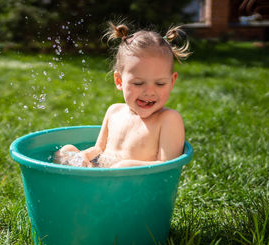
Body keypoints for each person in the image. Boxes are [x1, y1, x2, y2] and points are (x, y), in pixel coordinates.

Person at [54, 21, 191, 168]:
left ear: (172, 81)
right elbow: (99, 149)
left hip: (135, 185)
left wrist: (125, 167)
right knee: (66, 151)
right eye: (138, 83)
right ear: (119, 81)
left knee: (120, 167)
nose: (150, 92)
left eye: (160, 84)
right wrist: (85, 156)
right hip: (101, 176)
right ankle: (68, 185)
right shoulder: (114, 112)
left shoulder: (168, 120)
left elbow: (167, 167)